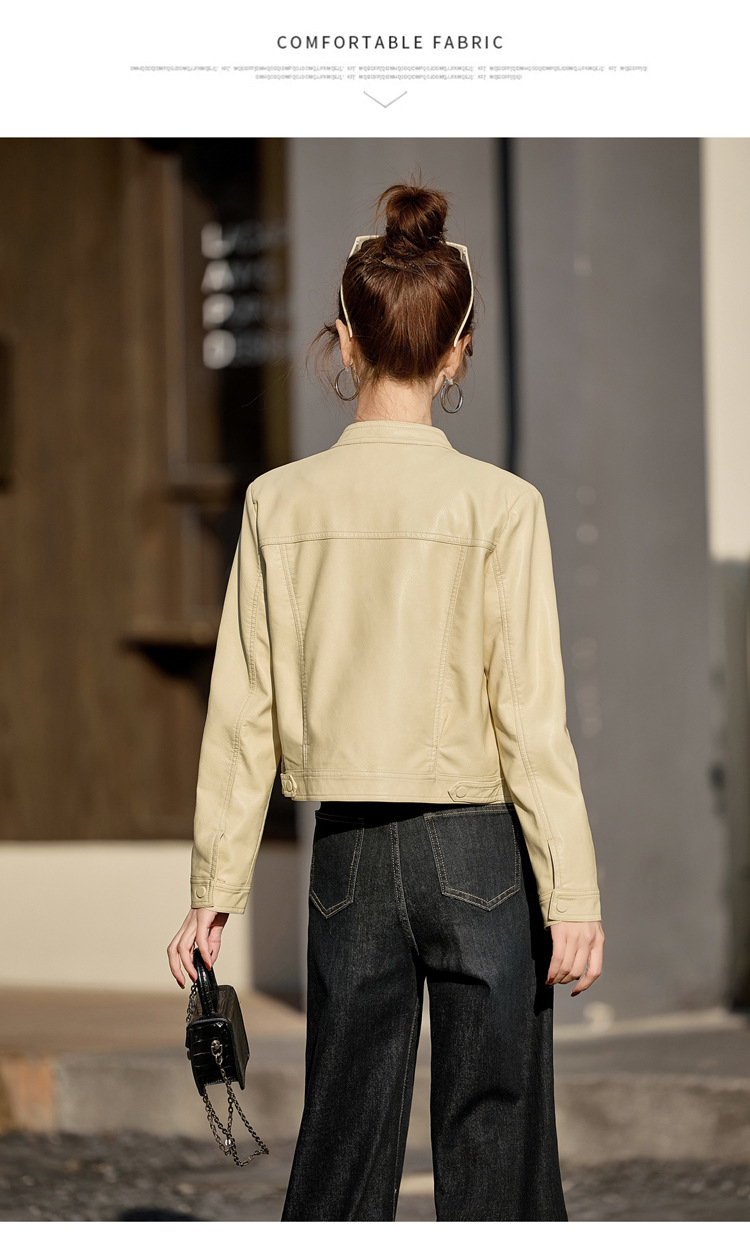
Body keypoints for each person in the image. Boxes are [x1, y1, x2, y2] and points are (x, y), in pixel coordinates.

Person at [167, 180, 605, 1221]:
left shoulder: (277, 503)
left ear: (344, 342)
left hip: (349, 854)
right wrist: (573, 890)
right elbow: (529, 718)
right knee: (496, 1139)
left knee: (343, 1140)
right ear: (458, 353)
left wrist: (214, 886)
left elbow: (244, 712)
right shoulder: (502, 506)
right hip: (479, 851)